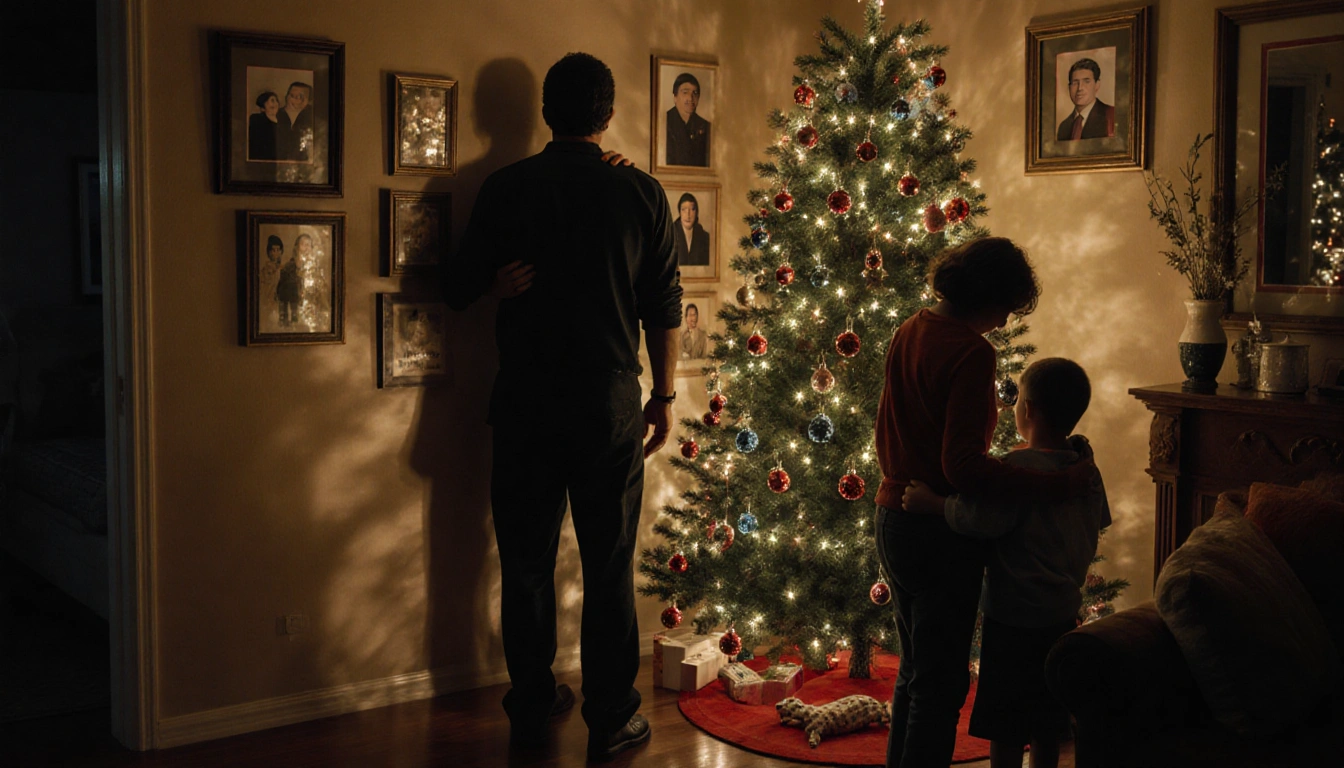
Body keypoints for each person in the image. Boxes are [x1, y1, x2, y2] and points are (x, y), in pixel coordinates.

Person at [441, 52, 681, 763]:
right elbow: (663, 307)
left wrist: (495, 284)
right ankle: (612, 719)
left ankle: (533, 700)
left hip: (525, 400)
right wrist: (664, 396)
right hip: (606, 398)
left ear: (546, 112)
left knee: (525, 559)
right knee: (608, 563)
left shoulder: (507, 187)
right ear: (608, 115)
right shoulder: (638, 191)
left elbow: (453, 287)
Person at [873, 237, 1097, 768]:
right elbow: (963, 468)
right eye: (1006, 309)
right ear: (989, 296)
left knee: (914, 672)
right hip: (935, 537)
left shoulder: (911, 327)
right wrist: (1053, 484)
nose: (1002, 323)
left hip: (892, 518)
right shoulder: (972, 351)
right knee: (941, 687)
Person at [903, 358, 1111, 768]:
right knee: (1048, 722)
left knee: (1007, 723)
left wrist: (932, 503)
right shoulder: (1086, 470)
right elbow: (1099, 519)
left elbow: (979, 519)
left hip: (1014, 620)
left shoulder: (1016, 470)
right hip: (1062, 615)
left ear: (1027, 410)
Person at [1056, 58, 1115, 141]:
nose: (1080, 88)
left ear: (1097, 85)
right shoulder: (1064, 127)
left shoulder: (1111, 116)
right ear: (1069, 87)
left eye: (1086, 81)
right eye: (1075, 83)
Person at [665, 72, 710, 166]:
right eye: (685, 93)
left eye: (695, 93)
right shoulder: (664, 122)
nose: (690, 98)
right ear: (675, 97)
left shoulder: (705, 126)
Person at [277, 81, 314, 162]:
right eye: (292, 95)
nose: (295, 99)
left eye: (301, 96)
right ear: (287, 96)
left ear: (308, 100)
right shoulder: (275, 115)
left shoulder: (313, 117)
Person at [673, 192, 710, 267]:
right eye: (684, 210)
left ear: (696, 212)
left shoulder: (705, 237)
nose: (688, 215)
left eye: (692, 209)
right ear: (679, 212)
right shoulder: (670, 235)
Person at [275, 235, 302, 328]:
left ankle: (287, 321)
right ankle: (287, 321)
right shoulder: (290, 267)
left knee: (288, 309)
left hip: (288, 290)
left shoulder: (291, 266)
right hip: (288, 290)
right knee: (289, 309)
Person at [248, 91, 281, 161]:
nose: (275, 103)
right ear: (263, 107)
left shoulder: (283, 122)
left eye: (276, 101)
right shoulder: (256, 120)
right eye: (272, 100)